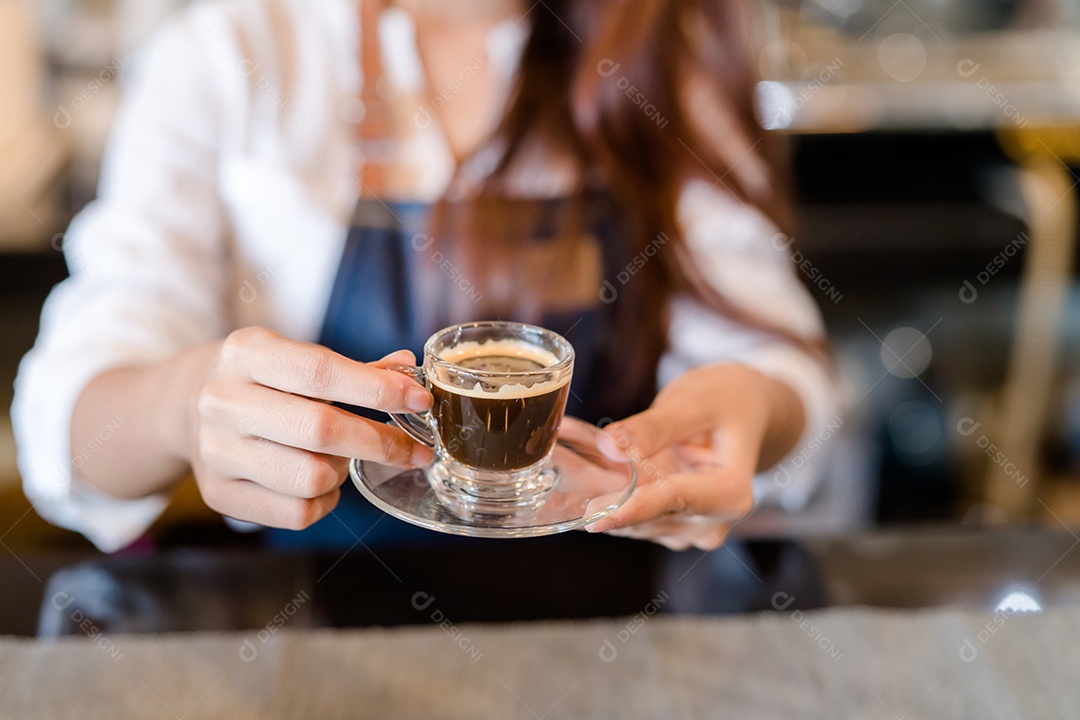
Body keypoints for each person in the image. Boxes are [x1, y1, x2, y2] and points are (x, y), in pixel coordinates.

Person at [14, 0, 840, 554]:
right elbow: (67, 431)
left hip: (619, 627)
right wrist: (181, 402)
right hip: (320, 640)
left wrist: (757, 409)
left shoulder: (663, 43)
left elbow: (782, 367)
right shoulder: (232, 48)